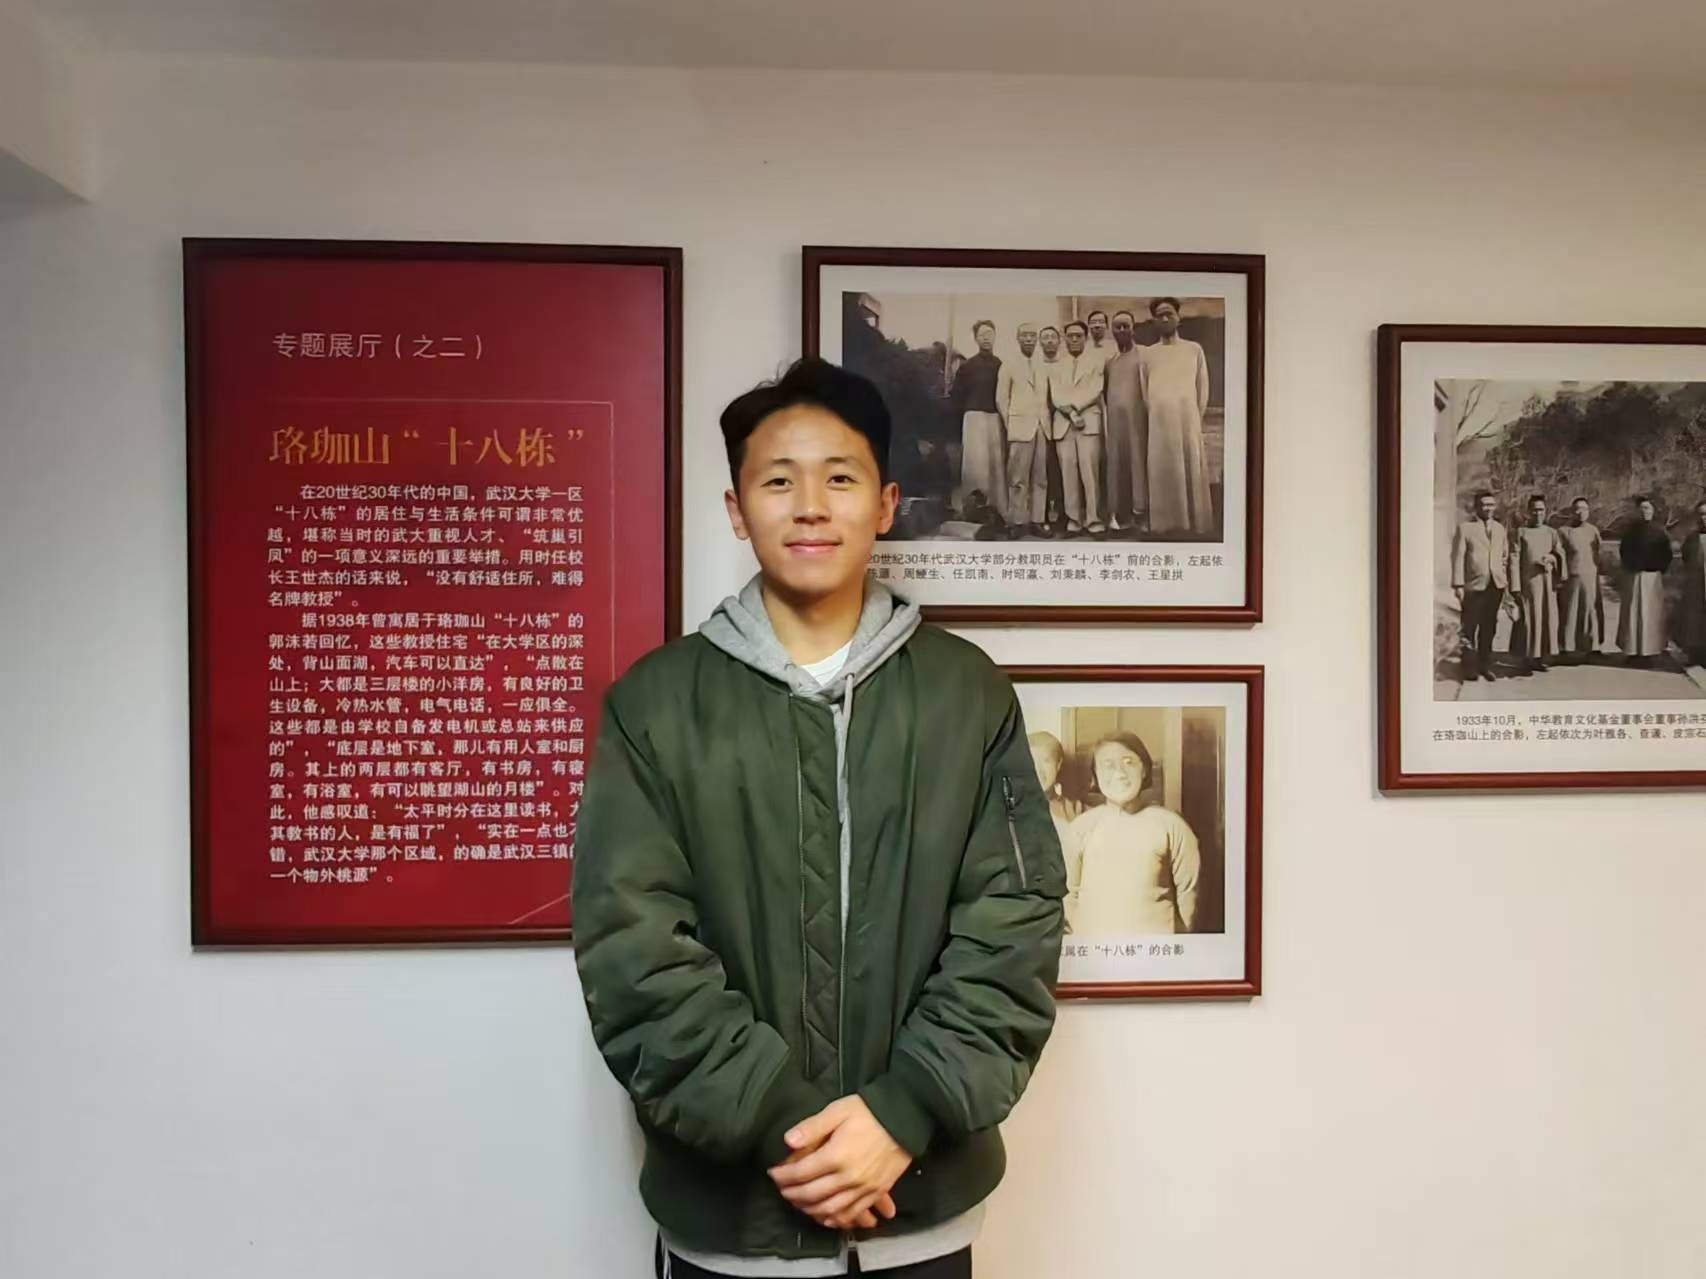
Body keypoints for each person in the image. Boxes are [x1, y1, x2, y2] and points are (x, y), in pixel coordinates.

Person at [572, 358, 1067, 1279]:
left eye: (839, 478)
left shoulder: (966, 694)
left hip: (920, 1213)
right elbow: (632, 953)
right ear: (736, 510)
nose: (809, 506)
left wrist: (902, 1111)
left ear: (884, 505)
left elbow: (1014, 927)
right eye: (778, 481)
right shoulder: (656, 705)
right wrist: (787, 1125)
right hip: (731, 1227)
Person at [1061, 731, 1200, 936]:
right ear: (1095, 776)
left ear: (1144, 770)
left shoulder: (1172, 826)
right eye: (1108, 765)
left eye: (1129, 762)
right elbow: (1068, 895)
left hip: (1153, 949)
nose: (1119, 773)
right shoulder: (1080, 829)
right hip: (1097, 949)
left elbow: (1189, 896)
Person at [1137, 298, 1214, 537]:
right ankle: (1163, 525)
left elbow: (1202, 387)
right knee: (1162, 471)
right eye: (1159, 315)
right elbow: (1144, 390)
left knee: (1189, 468)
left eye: (1169, 313)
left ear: (1178, 318)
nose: (1164, 318)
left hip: (1187, 421)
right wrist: (1157, 412)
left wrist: (1194, 416)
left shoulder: (1193, 349)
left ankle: (1194, 524)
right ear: (1154, 321)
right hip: (1159, 424)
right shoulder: (1148, 354)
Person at [1045, 320, 1106, 535]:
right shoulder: (1056, 366)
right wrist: (1071, 414)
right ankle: (1074, 520)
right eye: (1070, 336)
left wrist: (1077, 408)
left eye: (1078, 336)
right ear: (1065, 339)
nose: (1073, 339)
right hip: (1064, 424)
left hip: (1088, 422)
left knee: (1090, 473)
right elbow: (1056, 395)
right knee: (1068, 474)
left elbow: (1095, 389)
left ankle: (1094, 519)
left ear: (1085, 338)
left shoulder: (1096, 362)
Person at [948, 320, 1006, 525]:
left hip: (995, 418)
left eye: (990, 333)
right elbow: (957, 397)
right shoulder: (967, 366)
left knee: (996, 464)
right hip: (973, 419)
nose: (986, 338)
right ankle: (973, 509)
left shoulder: (1001, 365)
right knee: (975, 464)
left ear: (995, 336)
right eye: (982, 334)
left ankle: (997, 509)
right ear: (975, 338)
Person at [995, 323, 1049, 538]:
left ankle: (1038, 520)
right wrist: (1011, 424)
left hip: (1041, 426)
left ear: (1036, 339)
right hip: (1019, 426)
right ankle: (1017, 522)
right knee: (1018, 478)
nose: (1029, 339)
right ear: (1018, 339)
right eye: (1024, 335)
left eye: (1032, 335)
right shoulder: (1009, 364)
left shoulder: (1042, 364)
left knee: (1040, 477)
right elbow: (1001, 398)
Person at [1450, 492, 1511, 681]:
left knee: (1489, 627)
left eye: (1491, 505)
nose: (1488, 508)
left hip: (1495, 586)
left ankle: (1485, 665)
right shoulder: (1465, 529)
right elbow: (1458, 557)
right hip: (1473, 586)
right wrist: (1458, 585)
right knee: (1469, 628)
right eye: (1484, 505)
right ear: (1477, 507)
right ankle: (1468, 667)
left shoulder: (1500, 529)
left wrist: (1502, 578)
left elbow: (1504, 556)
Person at [1101, 310, 1146, 533]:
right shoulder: (1110, 362)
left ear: (1133, 329)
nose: (1121, 330)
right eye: (1117, 327)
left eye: (1125, 326)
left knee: (1138, 464)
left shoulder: (1144, 356)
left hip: (1137, 423)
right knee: (1117, 466)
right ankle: (1119, 515)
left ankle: (1141, 515)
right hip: (1116, 424)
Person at [1509, 494, 1565, 673]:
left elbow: (1560, 554)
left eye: (1541, 510)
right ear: (1528, 512)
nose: (1538, 513)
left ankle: (1539, 658)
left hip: (1547, 583)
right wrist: (1515, 586)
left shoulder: (1551, 533)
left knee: (1545, 619)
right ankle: (1525, 660)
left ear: (1545, 511)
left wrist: (1552, 558)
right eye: (1534, 510)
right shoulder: (1521, 533)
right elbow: (1514, 559)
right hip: (1528, 584)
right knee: (1528, 620)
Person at [1617, 495, 1673, 666]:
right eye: (1641, 509)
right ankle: (1632, 651)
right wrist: (1630, 567)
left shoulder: (1660, 532)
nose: (1644, 512)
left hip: (1652, 578)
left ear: (1653, 511)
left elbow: (1667, 554)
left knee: (1650, 614)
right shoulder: (1630, 532)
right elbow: (1623, 551)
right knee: (1633, 614)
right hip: (1633, 576)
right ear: (1637, 511)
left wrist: (1658, 569)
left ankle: (1649, 652)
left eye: (1647, 508)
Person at [1557, 497, 1604, 660]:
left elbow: (1598, 553)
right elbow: (1558, 554)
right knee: (1570, 611)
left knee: (1591, 611)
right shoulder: (1563, 531)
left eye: (1584, 509)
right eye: (1577, 509)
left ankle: (1593, 647)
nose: (1580, 512)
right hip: (1571, 577)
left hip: (1590, 576)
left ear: (1588, 511)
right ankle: (1567, 648)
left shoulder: (1593, 531)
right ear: (1572, 511)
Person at [1027, 730, 1082, 851]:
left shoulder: (1072, 808)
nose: (1038, 770)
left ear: (1058, 764)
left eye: (1046, 761)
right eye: (1031, 762)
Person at [1679, 499, 1706, 664]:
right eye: (1701, 514)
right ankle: (1695, 655)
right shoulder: (1691, 539)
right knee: (1695, 621)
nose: (1704, 518)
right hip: (1696, 586)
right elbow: (1686, 558)